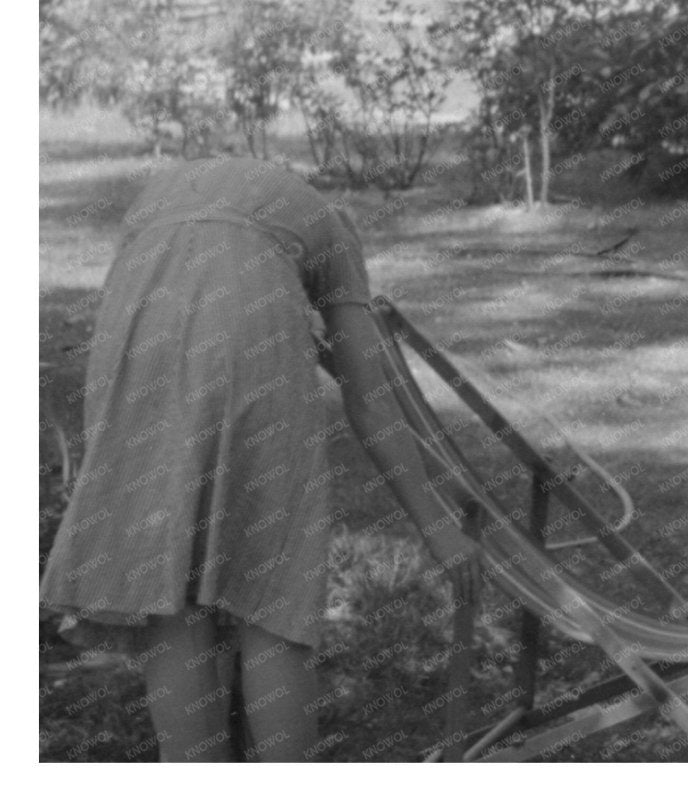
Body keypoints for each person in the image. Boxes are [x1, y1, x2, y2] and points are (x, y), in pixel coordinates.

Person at [40, 157, 443, 761]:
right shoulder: (331, 226)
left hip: (132, 340)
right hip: (249, 344)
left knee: (165, 582)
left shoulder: (168, 196)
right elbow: (371, 398)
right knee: (273, 592)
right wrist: (437, 527)